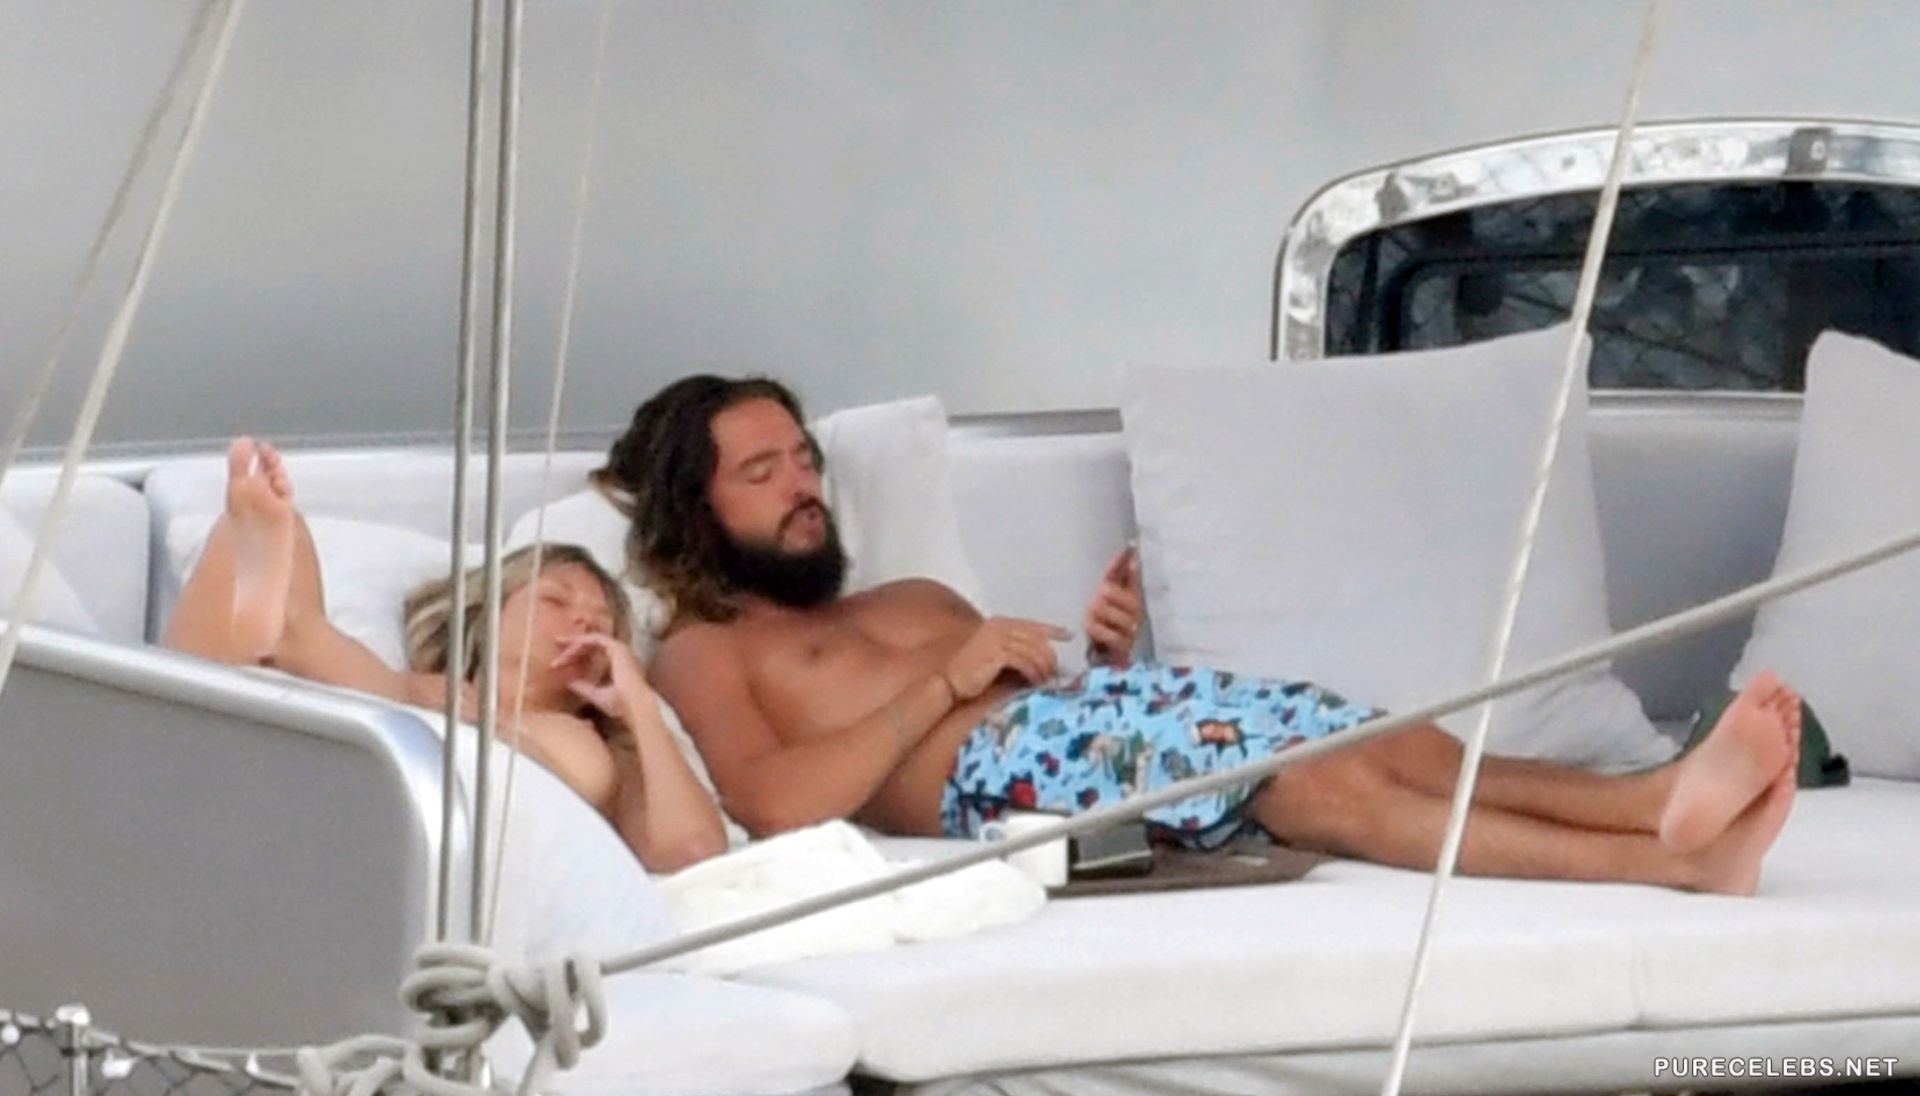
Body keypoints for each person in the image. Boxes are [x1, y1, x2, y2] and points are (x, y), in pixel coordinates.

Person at [604, 376, 1802, 895]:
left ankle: (1654, 800)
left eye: (804, 459)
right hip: (1003, 784)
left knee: (1379, 737)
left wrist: (1108, 654)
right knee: (1318, 787)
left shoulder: (910, 595)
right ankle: (1670, 863)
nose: (803, 487)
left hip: (1096, 724)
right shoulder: (706, 652)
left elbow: (1049, 703)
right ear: (692, 507)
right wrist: (943, 686)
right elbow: (774, 806)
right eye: (762, 472)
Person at [166, 437, 728, 874]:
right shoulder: (429, 689)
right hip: (387, 775)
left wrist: (639, 707)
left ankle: (282, 635)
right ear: (489, 614)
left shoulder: (601, 745)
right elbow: (383, 692)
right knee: (367, 685)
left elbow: (692, 851)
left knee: (397, 709)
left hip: (488, 832)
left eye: (601, 622)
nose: (582, 620)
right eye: (555, 600)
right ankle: (278, 625)